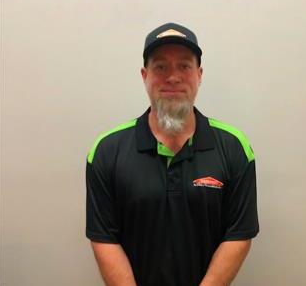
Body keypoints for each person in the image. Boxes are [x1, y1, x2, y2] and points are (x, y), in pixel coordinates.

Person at [86, 22, 259, 286]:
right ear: (144, 75)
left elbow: (238, 235)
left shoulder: (235, 147)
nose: (173, 77)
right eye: (161, 67)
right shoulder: (107, 150)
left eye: (184, 66)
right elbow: (104, 238)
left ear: (199, 74)